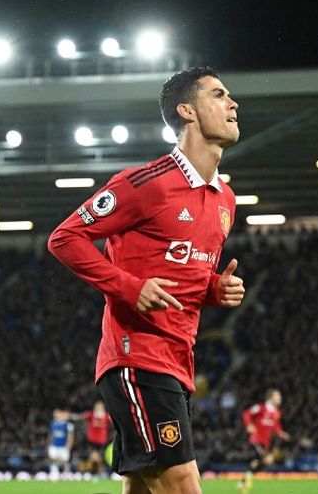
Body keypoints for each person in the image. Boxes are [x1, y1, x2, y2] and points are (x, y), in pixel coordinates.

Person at [48, 66, 245, 494]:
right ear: (186, 111)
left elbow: (184, 273)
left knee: (142, 487)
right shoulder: (146, 184)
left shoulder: (225, 199)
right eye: (218, 95)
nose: (233, 104)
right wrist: (130, 287)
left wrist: (214, 288)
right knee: (181, 485)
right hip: (136, 356)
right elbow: (65, 238)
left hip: (178, 358)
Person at [237, 389, 290, 493]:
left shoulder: (276, 412)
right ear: (271, 397)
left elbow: (276, 426)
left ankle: (244, 480)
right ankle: (245, 482)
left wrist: (281, 433)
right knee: (265, 460)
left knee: (259, 462)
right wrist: (249, 425)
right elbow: (246, 414)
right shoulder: (260, 408)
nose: (280, 399)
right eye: (278, 396)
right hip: (256, 439)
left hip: (266, 442)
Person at [74, 400, 113, 475]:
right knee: (92, 457)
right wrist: (71, 416)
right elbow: (81, 416)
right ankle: (88, 472)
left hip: (102, 441)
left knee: (100, 458)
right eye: (97, 407)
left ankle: (100, 472)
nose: (99, 409)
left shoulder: (106, 416)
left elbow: (113, 421)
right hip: (92, 440)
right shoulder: (91, 415)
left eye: (101, 407)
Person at [47, 409, 75, 477]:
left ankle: (66, 473)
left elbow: (70, 436)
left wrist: (69, 445)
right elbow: (51, 434)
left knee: (65, 460)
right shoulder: (53, 423)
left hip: (63, 445)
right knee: (53, 458)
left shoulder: (68, 425)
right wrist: (49, 444)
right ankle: (54, 472)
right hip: (54, 445)